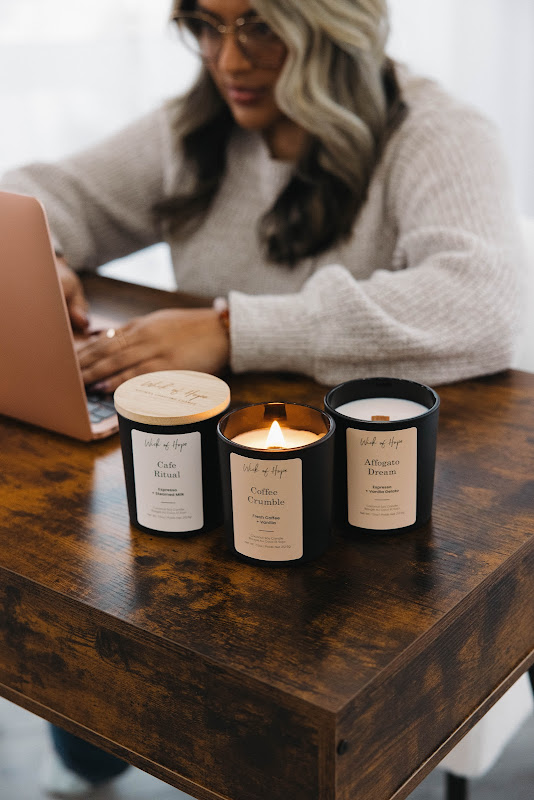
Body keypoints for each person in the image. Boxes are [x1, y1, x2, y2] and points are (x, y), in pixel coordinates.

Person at [1, 0, 525, 795]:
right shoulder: (193, 128)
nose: (229, 59)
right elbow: (39, 191)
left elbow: (478, 305)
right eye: (208, 24)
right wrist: (48, 251)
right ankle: (88, 755)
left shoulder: (437, 132)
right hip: (214, 488)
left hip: (368, 507)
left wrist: (233, 330)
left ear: (336, 26)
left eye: (261, 27)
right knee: (92, 583)